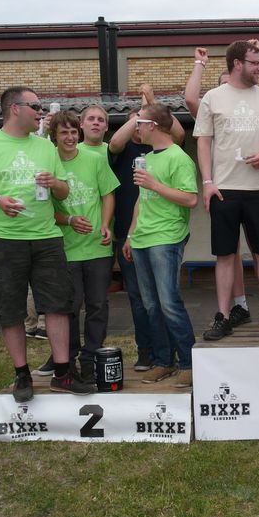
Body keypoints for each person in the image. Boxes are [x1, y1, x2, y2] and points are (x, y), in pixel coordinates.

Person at [0, 86, 93, 401]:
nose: (41, 112)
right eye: (36, 106)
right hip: (4, 239)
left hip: (47, 237)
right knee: (10, 308)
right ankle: (22, 375)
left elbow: (64, 191)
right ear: (15, 108)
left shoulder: (45, 147)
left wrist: (55, 183)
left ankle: (62, 373)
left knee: (58, 304)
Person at [194, 40, 259, 340]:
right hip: (224, 189)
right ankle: (223, 316)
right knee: (225, 255)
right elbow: (203, 142)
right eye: (255, 63)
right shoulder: (213, 97)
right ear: (237, 64)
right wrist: (207, 183)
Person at [42, 110, 119, 384]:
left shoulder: (95, 159)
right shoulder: (47, 162)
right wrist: (69, 220)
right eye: (64, 132)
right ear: (54, 136)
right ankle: (68, 359)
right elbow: (42, 210)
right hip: (65, 248)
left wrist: (106, 224)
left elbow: (108, 194)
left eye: (74, 132)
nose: (70, 137)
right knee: (70, 307)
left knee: (98, 305)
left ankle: (91, 358)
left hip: (97, 246)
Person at [123, 103, 198, 387]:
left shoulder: (178, 158)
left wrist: (154, 185)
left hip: (166, 237)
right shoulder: (146, 158)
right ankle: (164, 362)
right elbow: (141, 200)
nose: (137, 128)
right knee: (151, 305)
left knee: (169, 303)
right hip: (142, 238)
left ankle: (189, 363)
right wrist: (131, 234)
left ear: (152, 126)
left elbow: (190, 199)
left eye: (139, 123)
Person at [108, 98, 156, 371]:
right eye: (135, 123)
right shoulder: (122, 151)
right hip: (128, 236)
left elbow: (176, 133)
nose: (139, 127)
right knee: (138, 299)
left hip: (160, 235)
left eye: (143, 122)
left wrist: (150, 107)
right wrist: (137, 115)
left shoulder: (159, 148)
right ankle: (145, 351)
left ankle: (167, 351)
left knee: (163, 298)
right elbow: (115, 142)